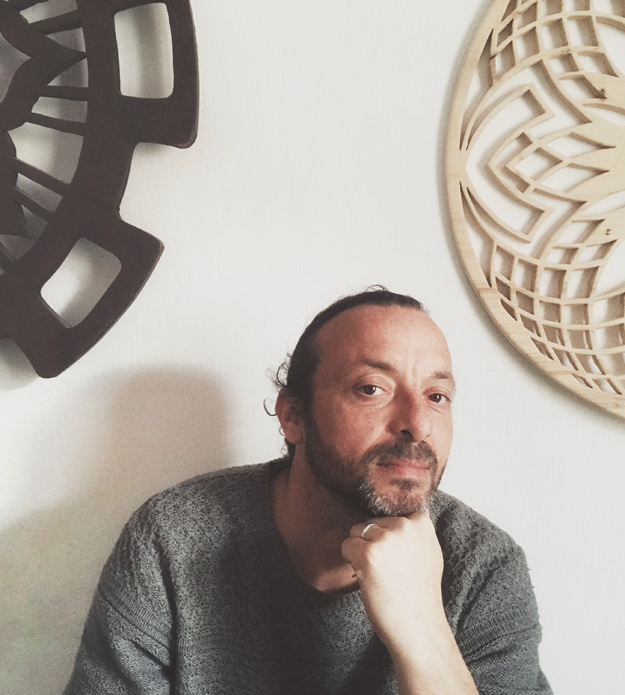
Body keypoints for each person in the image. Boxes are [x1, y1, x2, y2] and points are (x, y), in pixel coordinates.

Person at [64, 287, 551, 694]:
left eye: (437, 396)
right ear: (294, 416)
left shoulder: (484, 567)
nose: (417, 424)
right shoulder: (170, 540)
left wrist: (423, 630)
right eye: (372, 388)